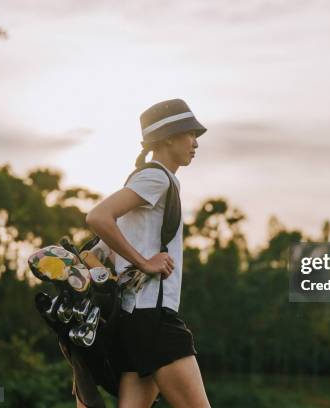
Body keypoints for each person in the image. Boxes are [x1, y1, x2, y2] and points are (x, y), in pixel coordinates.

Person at [85, 99, 211, 408]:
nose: (195, 143)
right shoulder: (156, 178)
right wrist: (145, 262)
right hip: (154, 320)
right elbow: (98, 217)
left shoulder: (146, 181)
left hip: (134, 320)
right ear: (168, 137)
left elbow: (100, 251)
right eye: (189, 134)